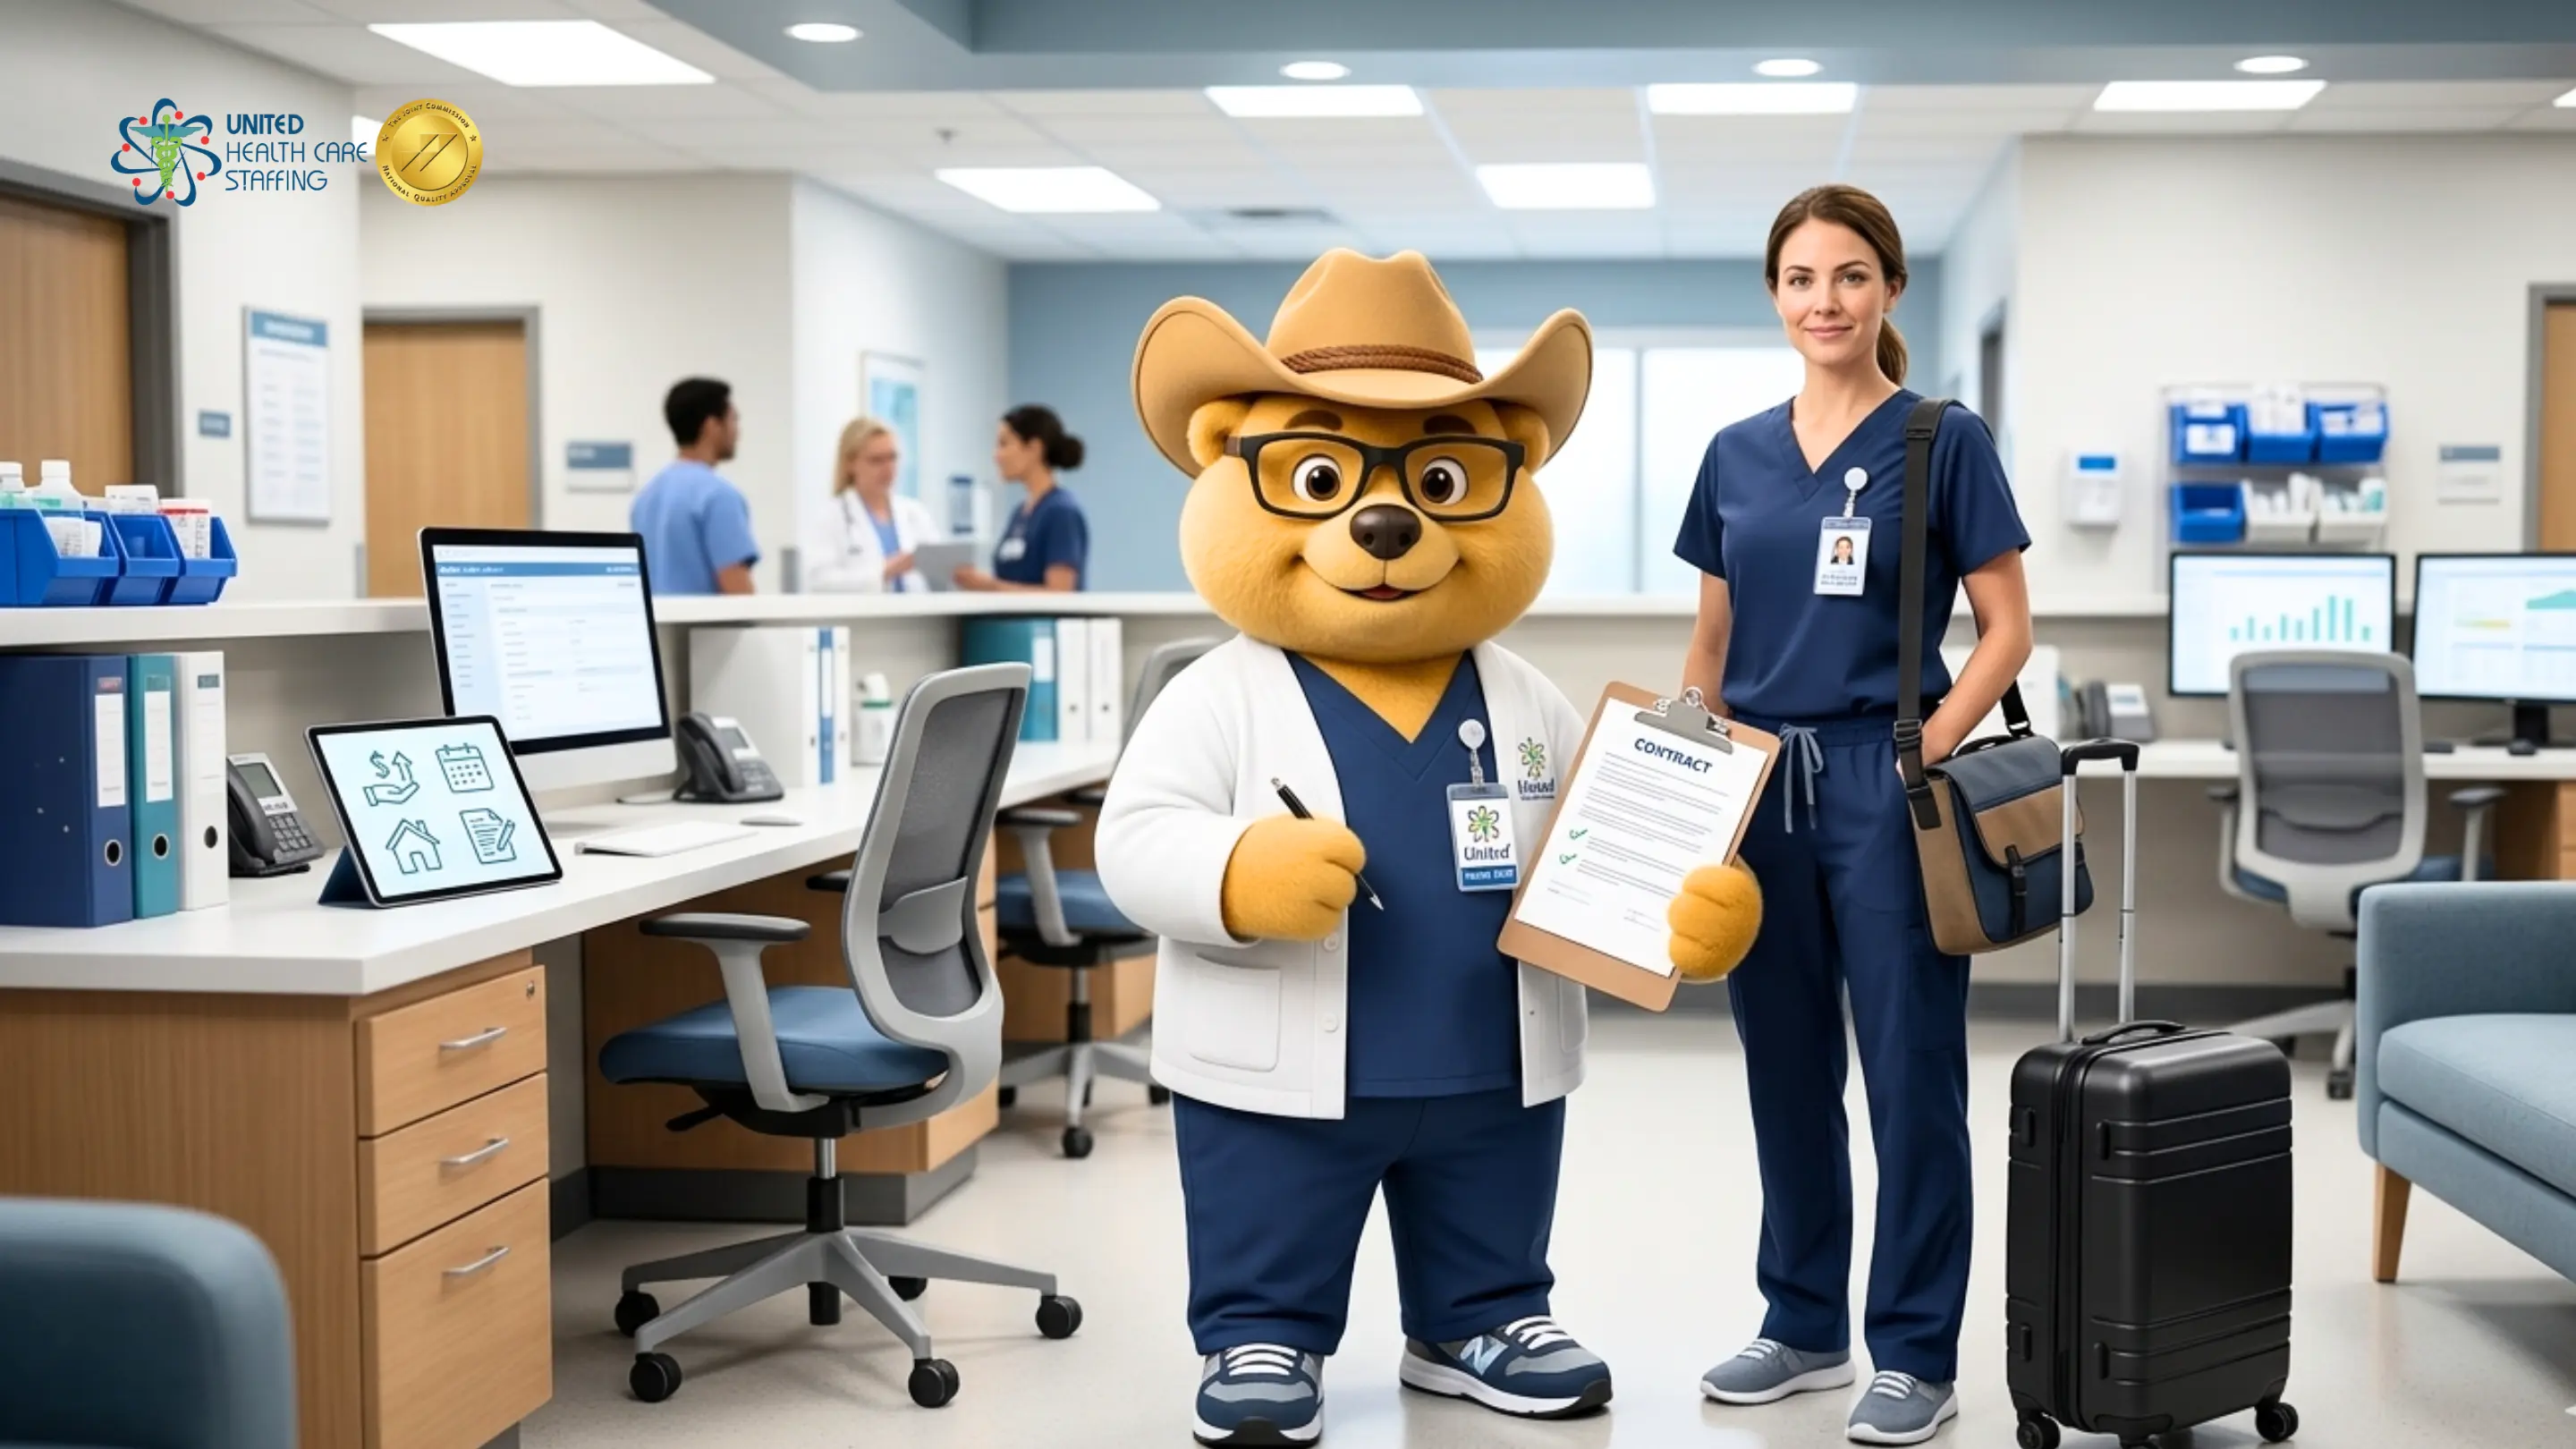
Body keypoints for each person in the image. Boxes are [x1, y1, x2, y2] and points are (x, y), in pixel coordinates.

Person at [1675, 184, 2031, 1447]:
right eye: (1799, 279)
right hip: (1760, 789)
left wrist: (1919, 754)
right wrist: (1692, 760)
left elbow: (2007, 629)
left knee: (1910, 1076)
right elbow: (1713, 639)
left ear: (1889, 290)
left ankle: (1916, 1351)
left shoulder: (1940, 438)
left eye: (1849, 276)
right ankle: (1803, 1321)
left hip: (1886, 790)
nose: (1823, 301)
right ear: (1775, 296)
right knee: (1784, 1071)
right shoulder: (1735, 454)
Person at [631, 377, 757, 595]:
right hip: (704, 629)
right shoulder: (718, 496)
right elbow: (740, 595)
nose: (737, 431)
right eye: (733, 420)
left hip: (659, 628)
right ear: (712, 426)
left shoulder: (645, 497)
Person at [954, 404, 1088, 592]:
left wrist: (989, 587)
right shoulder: (1020, 514)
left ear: (1034, 449)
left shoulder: (1061, 512)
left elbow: (1060, 595)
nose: (996, 455)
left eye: (1004, 444)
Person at [805, 416, 938, 593]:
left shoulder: (914, 513)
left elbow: (940, 572)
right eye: (876, 460)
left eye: (892, 458)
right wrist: (884, 571)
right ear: (850, 464)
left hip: (917, 618)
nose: (888, 469)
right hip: (861, 619)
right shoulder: (832, 516)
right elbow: (820, 582)